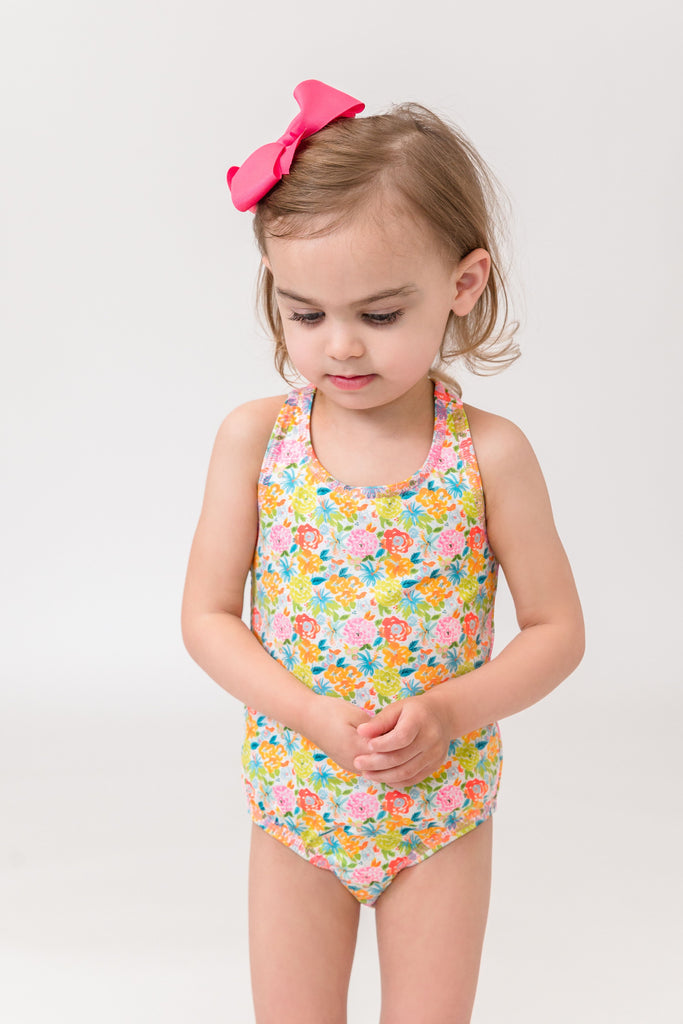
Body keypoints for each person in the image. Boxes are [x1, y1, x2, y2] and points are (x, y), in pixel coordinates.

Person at [181, 79, 585, 1024]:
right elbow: (206, 618)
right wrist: (307, 715)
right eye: (305, 314)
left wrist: (447, 712)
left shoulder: (489, 455)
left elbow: (556, 631)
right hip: (297, 799)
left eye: (379, 314)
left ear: (462, 285)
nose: (340, 348)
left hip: (439, 811)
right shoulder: (256, 440)